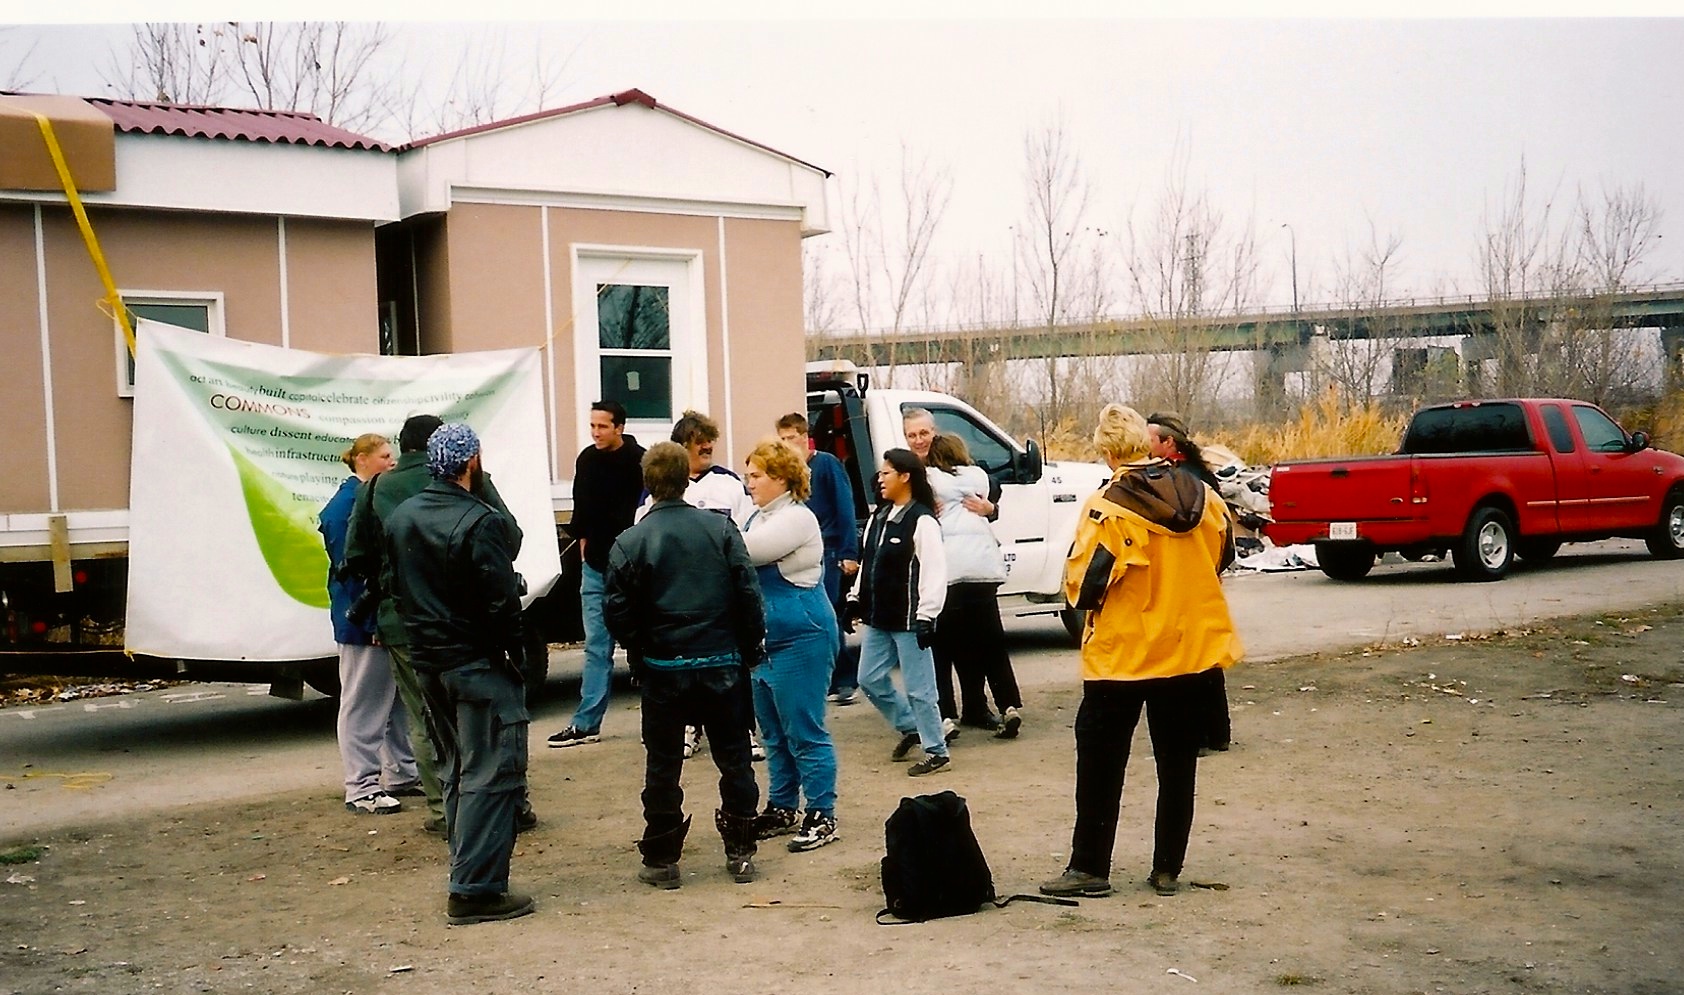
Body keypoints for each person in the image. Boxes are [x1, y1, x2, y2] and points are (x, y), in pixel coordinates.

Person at [1040, 404, 1241, 901]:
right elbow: (1225, 555)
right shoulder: (1203, 495)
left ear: (1108, 451)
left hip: (1122, 656)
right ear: (1147, 445)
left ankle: (1089, 867)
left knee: (1101, 764)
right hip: (1189, 648)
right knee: (1178, 764)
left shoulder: (1106, 506)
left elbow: (1085, 586)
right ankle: (1167, 868)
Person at [343, 414, 537, 837]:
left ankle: (444, 810)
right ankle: (511, 805)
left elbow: (355, 554)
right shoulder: (473, 483)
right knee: (492, 719)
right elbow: (511, 538)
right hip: (472, 626)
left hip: (404, 620)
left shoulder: (377, 487)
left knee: (426, 719)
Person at [384, 423, 534, 925]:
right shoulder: (478, 520)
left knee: (456, 769)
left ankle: (468, 873)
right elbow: (498, 601)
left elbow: (392, 583)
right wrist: (514, 656)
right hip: (475, 661)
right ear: (472, 463)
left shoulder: (403, 517)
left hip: (430, 660)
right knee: (492, 772)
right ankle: (475, 887)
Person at [604, 441, 766, 887]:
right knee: (734, 759)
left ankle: (662, 858)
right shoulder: (720, 529)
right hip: (720, 660)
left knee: (662, 763)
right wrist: (750, 646)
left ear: (648, 481)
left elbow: (616, 609)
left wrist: (639, 652)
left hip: (663, 664)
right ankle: (741, 852)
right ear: (685, 478)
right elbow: (748, 592)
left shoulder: (631, 540)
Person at [740, 439, 842, 852]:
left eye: (756, 475)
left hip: (802, 636)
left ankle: (822, 812)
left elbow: (747, 553)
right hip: (766, 642)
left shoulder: (797, 519)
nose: (749, 483)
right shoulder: (757, 517)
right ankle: (783, 805)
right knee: (773, 734)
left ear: (781, 478)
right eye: (748, 476)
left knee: (804, 731)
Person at [320, 432, 417, 816]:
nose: (391, 462)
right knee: (364, 703)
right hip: (363, 620)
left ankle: (402, 772)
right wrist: (375, 618)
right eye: (384, 456)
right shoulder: (349, 505)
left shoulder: (359, 498)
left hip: (369, 616)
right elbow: (356, 569)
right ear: (362, 460)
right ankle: (361, 786)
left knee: (391, 700)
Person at [846, 448, 951, 777]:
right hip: (879, 617)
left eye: (887, 473)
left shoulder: (921, 520)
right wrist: (854, 598)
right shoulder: (880, 517)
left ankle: (936, 749)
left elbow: (935, 570)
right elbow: (869, 562)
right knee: (869, 679)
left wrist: (927, 614)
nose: (880, 478)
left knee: (920, 688)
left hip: (909, 619)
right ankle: (910, 727)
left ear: (905, 476)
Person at [548, 401, 646, 749]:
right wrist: (583, 543)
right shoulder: (587, 460)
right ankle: (586, 722)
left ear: (619, 426)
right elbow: (581, 507)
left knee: (646, 643)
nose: (595, 432)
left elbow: (643, 515)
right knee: (596, 646)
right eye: (592, 426)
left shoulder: (640, 461)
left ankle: (663, 722)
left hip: (632, 567)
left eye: (602, 426)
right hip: (596, 566)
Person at [924, 433, 1025, 741]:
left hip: (950, 571)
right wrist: (990, 509)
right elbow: (994, 493)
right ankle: (1008, 704)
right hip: (984, 568)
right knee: (991, 642)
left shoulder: (928, 480)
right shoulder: (978, 478)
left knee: (941, 647)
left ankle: (945, 715)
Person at [1147, 412, 1231, 754]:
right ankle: (1217, 731)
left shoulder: (1174, 481)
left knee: (1186, 658)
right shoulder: (1201, 478)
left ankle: (1193, 735)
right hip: (1206, 575)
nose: (1145, 444)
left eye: (1151, 438)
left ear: (1168, 443)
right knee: (1206, 656)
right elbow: (1224, 532)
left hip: (1185, 577)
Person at [774, 413, 861, 706]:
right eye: (781, 439)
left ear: (803, 436)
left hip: (830, 549)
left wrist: (850, 552)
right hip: (800, 551)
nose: (786, 444)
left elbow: (844, 506)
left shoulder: (825, 465)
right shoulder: (787, 472)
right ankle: (823, 678)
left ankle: (845, 679)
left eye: (790, 438)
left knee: (830, 617)